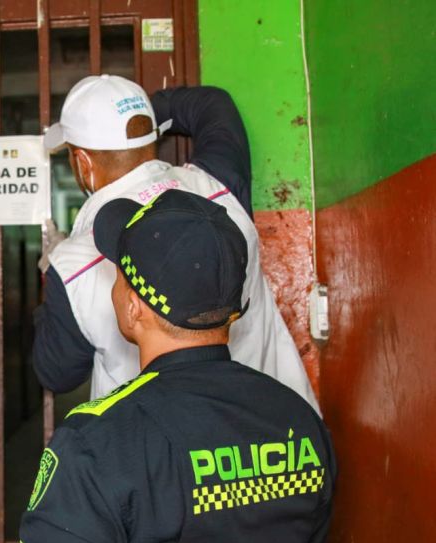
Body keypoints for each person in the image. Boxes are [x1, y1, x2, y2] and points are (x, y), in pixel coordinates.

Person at [7, 190, 336, 543]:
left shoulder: (97, 442)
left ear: (133, 307)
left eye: (118, 276)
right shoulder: (300, 420)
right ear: (232, 310)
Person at [34, 75, 320, 413]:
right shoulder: (218, 186)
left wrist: (50, 274)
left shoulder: (73, 266)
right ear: (151, 135)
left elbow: (57, 373)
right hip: (275, 437)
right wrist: (142, 116)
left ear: (83, 163)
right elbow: (212, 104)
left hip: (160, 458)